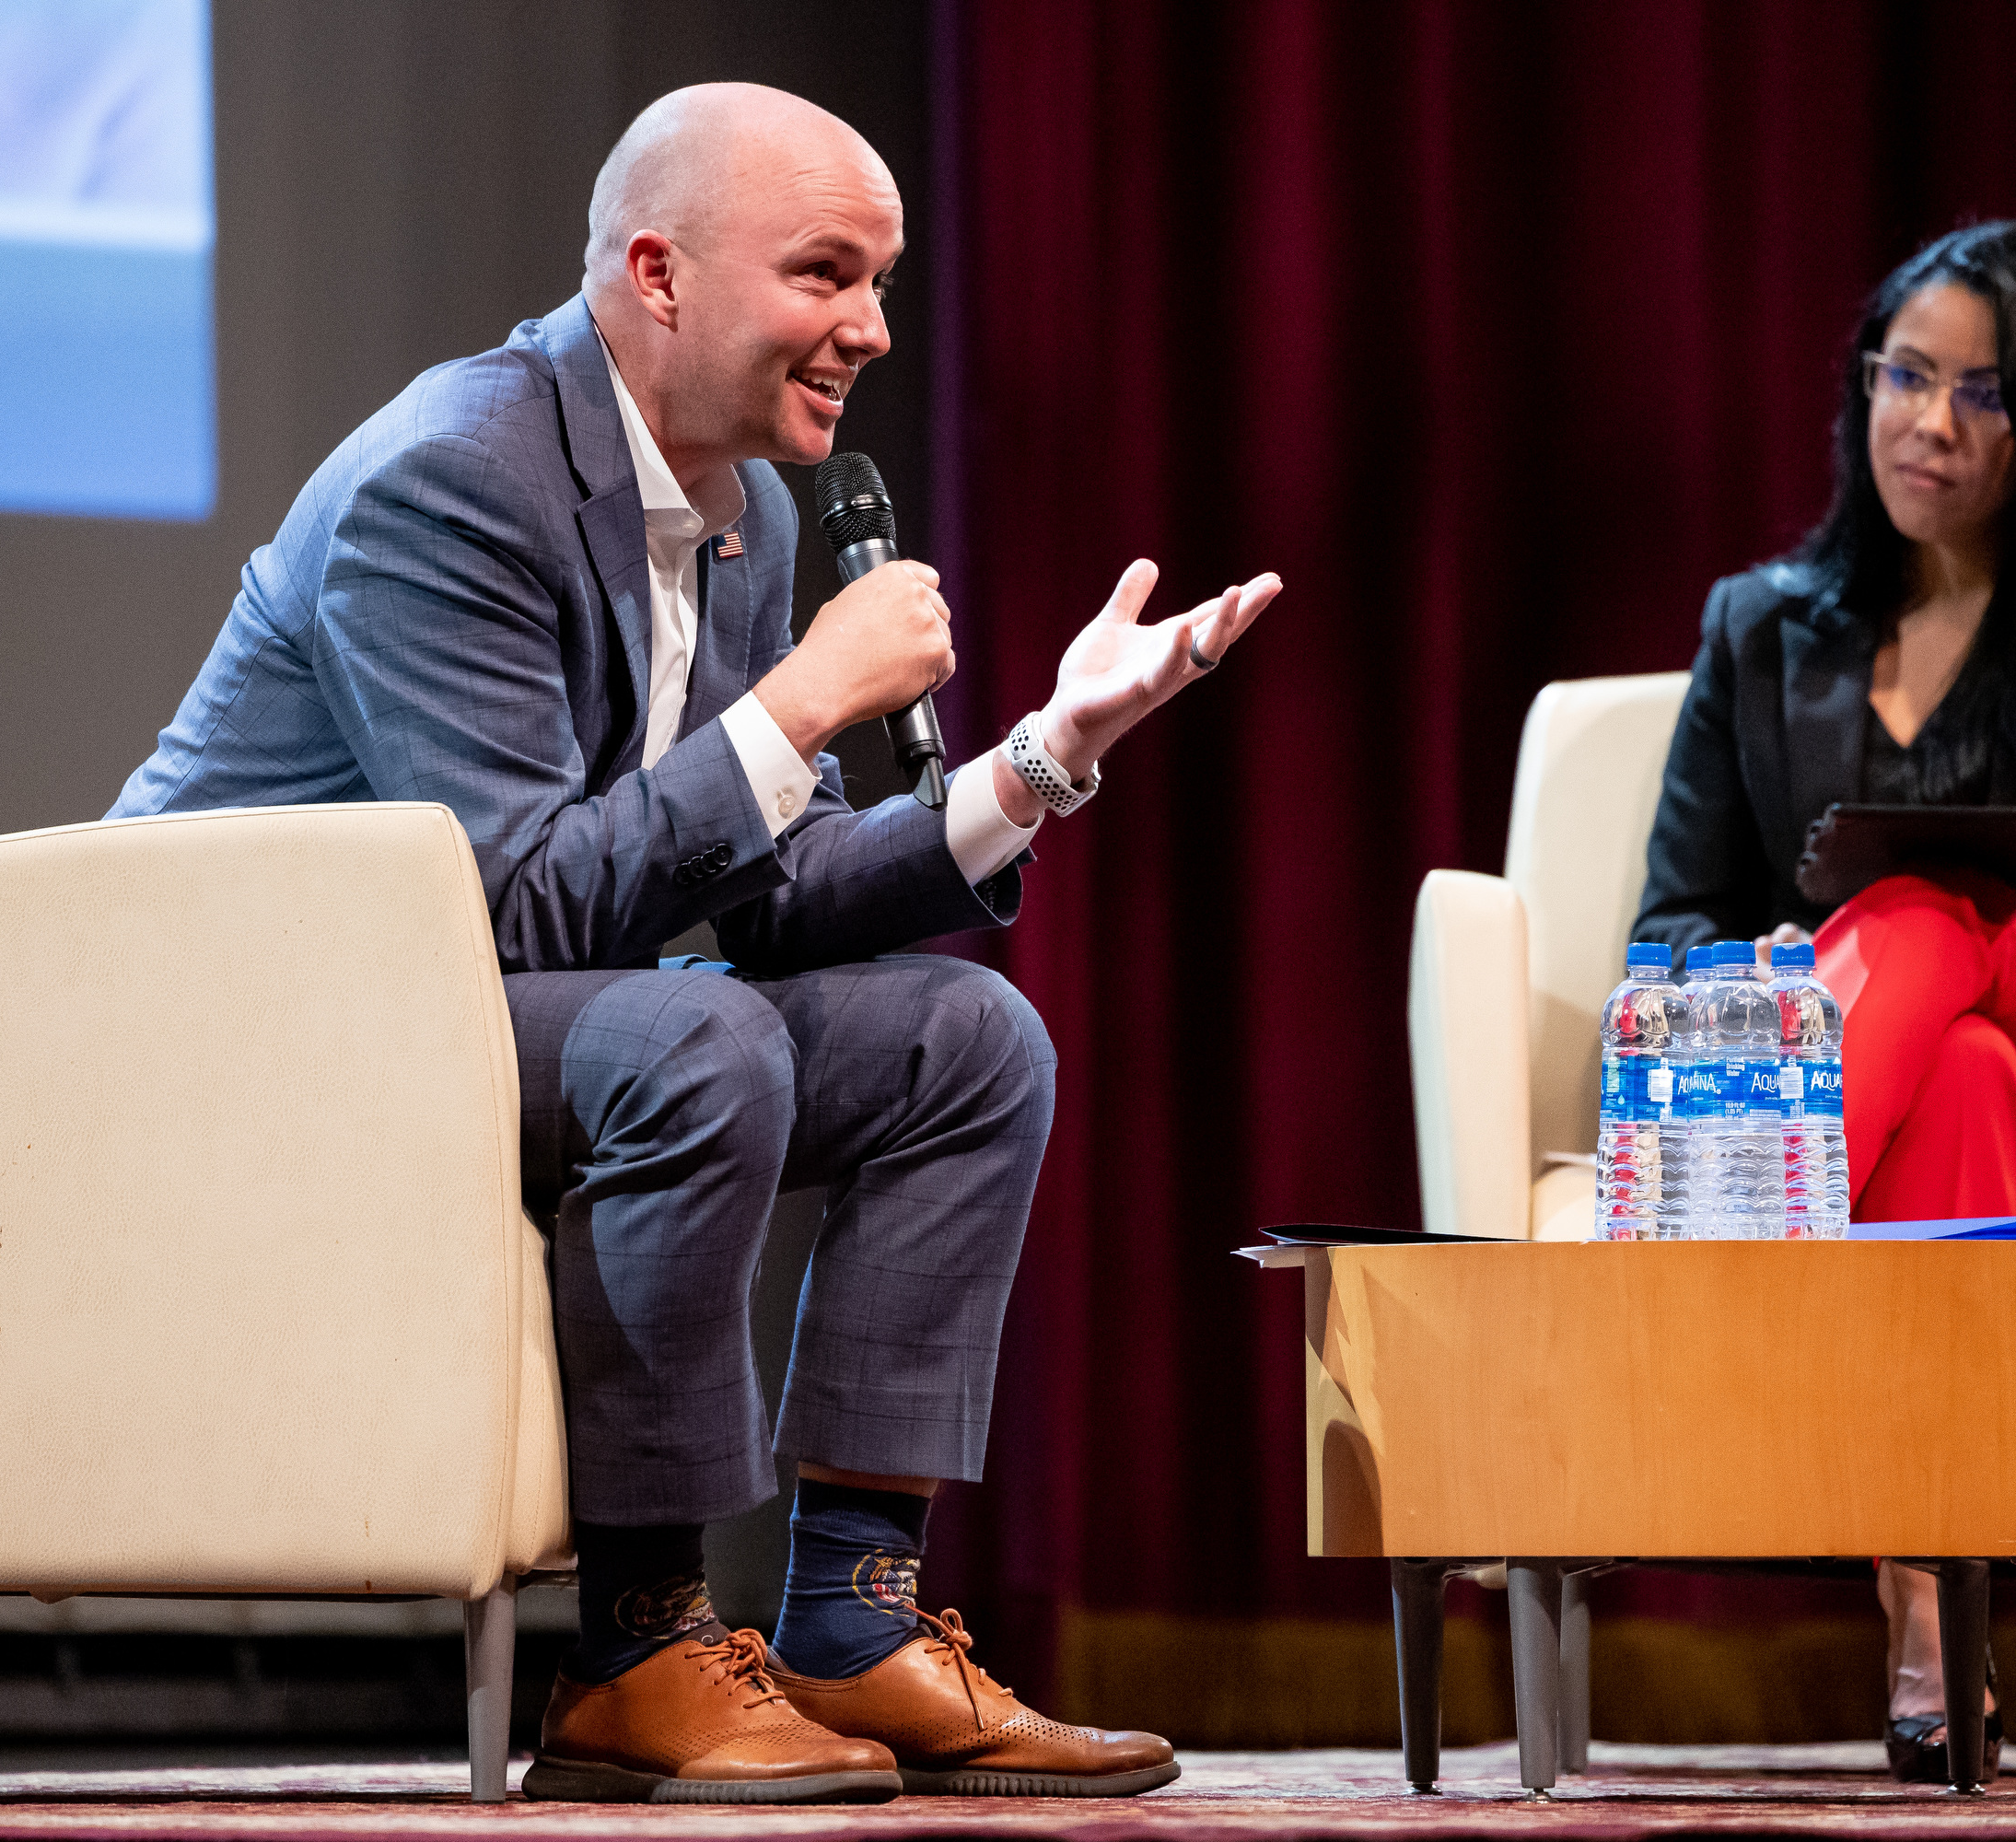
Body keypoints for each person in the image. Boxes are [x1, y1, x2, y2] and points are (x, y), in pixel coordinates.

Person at [110, 83, 1281, 1805]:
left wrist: (1046, 760)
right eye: (825, 276)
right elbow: (508, 905)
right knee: (701, 1040)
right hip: (264, 1024)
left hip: (472, 1012)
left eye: (882, 284)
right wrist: (810, 699)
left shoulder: (748, 515)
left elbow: (762, 892)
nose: (871, 331)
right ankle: (639, 1644)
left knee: (967, 1044)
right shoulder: (454, 476)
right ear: (658, 274)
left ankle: (850, 1619)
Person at [1631, 220, 2016, 1782]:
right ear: (1865, 385)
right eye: (1908, 377)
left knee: (1927, 903)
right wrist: (1791, 974)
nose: (1932, 425)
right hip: (1947, 1073)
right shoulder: (1761, 626)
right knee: (1956, 1072)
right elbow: (1678, 918)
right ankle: (1931, 1631)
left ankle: (1746, 1240)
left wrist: (1879, 938)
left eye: (1985, 393)